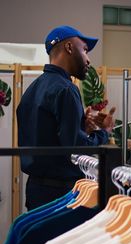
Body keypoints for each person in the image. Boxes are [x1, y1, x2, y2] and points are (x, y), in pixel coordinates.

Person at [17, 25, 115, 211]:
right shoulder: (67, 89)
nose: (88, 59)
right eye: (85, 50)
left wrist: (83, 128)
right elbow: (75, 151)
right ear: (69, 47)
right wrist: (103, 133)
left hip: (36, 191)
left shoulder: (31, 90)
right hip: (60, 192)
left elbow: (51, 139)